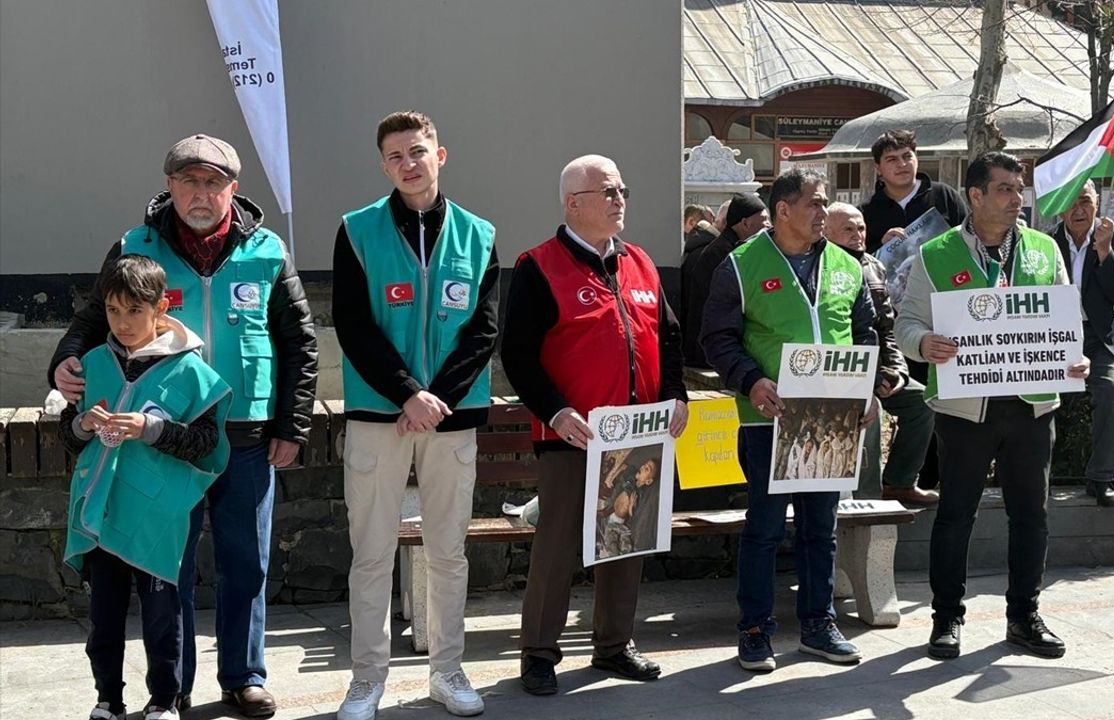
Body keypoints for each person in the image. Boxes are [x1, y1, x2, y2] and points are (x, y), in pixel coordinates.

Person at [49, 134, 317, 717]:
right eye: (189, 181)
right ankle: (175, 686)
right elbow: (92, 321)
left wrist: (292, 426)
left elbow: (299, 342)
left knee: (245, 560)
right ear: (169, 186)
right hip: (163, 442)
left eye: (213, 182)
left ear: (233, 189)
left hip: (245, 434)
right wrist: (64, 361)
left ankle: (243, 675)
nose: (201, 192)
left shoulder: (268, 250)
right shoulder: (134, 245)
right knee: (166, 565)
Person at [331, 111, 499, 719]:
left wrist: (437, 400)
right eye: (397, 154)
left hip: (449, 418)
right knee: (371, 552)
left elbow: (483, 331)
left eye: (418, 150)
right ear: (384, 165)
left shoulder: (478, 234)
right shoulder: (357, 230)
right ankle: (366, 680)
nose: (409, 162)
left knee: (449, 551)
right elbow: (352, 325)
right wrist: (407, 394)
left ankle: (447, 671)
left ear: (441, 155)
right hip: (380, 414)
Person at [502, 154, 689, 696]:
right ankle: (538, 653)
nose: (619, 199)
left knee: (626, 539)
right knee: (557, 547)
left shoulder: (642, 263)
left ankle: (614, 645)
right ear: (573, 204)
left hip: (636, 433)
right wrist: (556, 411)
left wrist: (675, 395)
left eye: (622, 190)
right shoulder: (539, 265)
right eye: (607, 191)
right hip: (572, 435)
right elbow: (517, 354)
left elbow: (670, 339)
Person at [895, 152, 1090, 661]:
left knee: (1032, 514)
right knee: (955, 514)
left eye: (1018, 189)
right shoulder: (934, 253)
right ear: (975, 196)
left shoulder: (1045, 249)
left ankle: (1024, 616)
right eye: (1004, 189)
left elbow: (1064, 319)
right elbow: (907, 323)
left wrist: (1075, 359)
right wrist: (924, 345)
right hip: (965, 409)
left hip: (1031, 405)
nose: (1016, 199)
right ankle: (946, 619)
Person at [701, 168, 879, 672]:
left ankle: (818, 625)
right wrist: (752, 380)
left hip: (831, 417)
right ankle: (755, 630)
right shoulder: (741, 265)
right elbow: (717, 338)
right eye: (816, 204)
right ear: (783, 210)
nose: (825, 213)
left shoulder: (847, 265)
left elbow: (865, 332)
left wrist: (865, 390)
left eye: (825, 205)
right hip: (767, 419)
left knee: (821, 528)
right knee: (764, 529)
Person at [61, 255, 232, 720]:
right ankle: (107, 700)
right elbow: (67, 434)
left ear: (162, 308)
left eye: (135, 310)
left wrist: (151, 430)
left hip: (160, 516)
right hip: (104, 508)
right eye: (114, 311)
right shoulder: (95, 362)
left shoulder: (192, 371)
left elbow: (207, 443)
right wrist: (81, 424)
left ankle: (164, 699)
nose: (123, 322)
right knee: (104, 617)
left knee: (163, 614)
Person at [860, 129, 967, 492]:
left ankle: (941, 478)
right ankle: (902, 480)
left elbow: (970, 238)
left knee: (949, 397)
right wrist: (880, 245)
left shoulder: (945, 198)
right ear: (878, 169)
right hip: (896, 324)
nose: (901, 165)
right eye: (892, 159)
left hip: (947, 311)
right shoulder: (868, 213)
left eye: (907, 156)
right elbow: (855, 264)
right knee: (918, 396)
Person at [825, 203, 937, 505]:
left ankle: (900, 482)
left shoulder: (874, 266)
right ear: (826, 232)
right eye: (848, 229)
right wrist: (869, 380)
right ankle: (866, 499)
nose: (857, 235)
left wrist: (897, 370)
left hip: (879, 368)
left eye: (860, 228)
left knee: (924, 401)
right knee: (868, 412)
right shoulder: (821, 265)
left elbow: (887, 327)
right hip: (838, 371)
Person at [1051, 182, 1114, 507]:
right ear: (1060, 207)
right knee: (1030, 398)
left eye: (1085, 201)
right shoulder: (1045, 243)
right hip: (1054, 337)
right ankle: (1030, 475)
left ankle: (1101, 479)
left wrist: (1104, 250)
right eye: (1071, 203)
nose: (1079, 209)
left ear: (1097, 203)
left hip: (1101, 339)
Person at [682, 193, 769, 368]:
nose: (768, 227)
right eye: (764, 221)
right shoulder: (724, 256)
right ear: (745, 223)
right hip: (710, 355)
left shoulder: (731, 249)